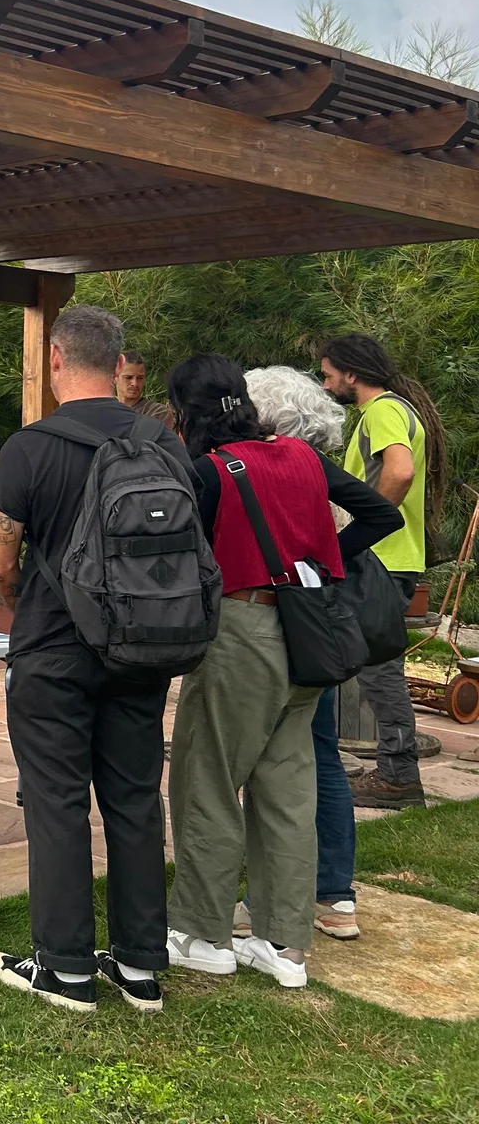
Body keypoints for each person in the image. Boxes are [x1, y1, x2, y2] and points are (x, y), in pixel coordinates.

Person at [161, 355, 400, 990]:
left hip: (243, 630)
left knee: (208, 778)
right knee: (289, 789)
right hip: (311, 630)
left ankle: (202, 933)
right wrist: (320, 560)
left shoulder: (209, 471)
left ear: (186, 413)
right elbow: (384, 515)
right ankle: (283, 944)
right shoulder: (301, 457)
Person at [0, 305, 182, 1013]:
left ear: (59, 359)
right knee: (133, 801)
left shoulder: (32, 447)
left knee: (57, 802)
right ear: (119, 359)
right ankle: (139, 968)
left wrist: (21, 597)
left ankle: (64, 969)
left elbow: (0, 562)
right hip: (142, 647)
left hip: (54, 648)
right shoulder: (163, 442)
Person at [242, 365, 368, 944]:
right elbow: (377, 516)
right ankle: (333, 894)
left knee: (279, 760)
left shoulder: (280, 468)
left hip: (284, 620)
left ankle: (284, 895)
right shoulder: (321, 469)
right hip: (321, 620)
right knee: (318, 754)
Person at [321, 333, 443, 810]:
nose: (327, 383)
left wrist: (363, 528)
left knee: (378, 670)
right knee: (374, 665)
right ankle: (394, 771)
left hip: (382, 559)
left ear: (352, 373)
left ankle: (398, 776)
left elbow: (400, 470)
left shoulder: (382, 411)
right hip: (393, 557)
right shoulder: (398, 408)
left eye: (330, 374)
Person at [115, 348, 174, 427]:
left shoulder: (157, 412)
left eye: (140, 378)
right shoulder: (105, 411)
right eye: (128, 377)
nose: (134, 383)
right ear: (114, 377)